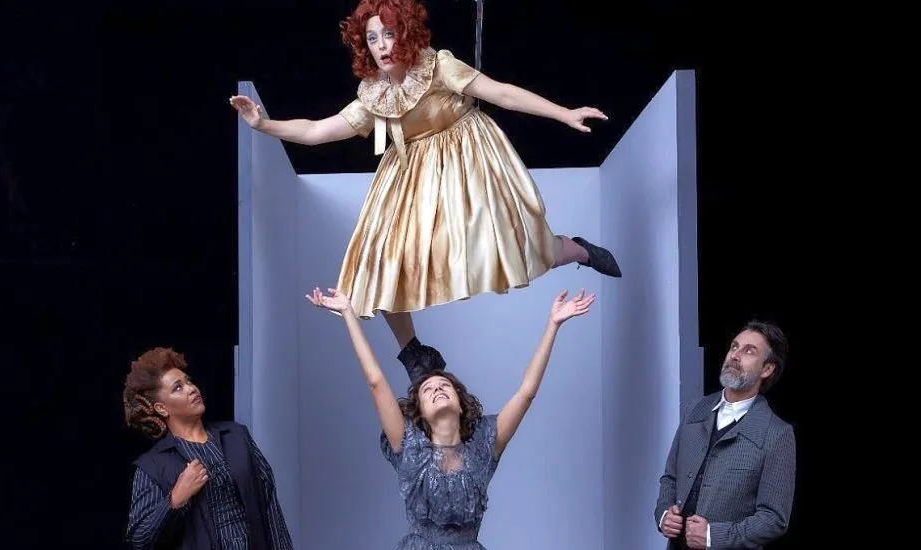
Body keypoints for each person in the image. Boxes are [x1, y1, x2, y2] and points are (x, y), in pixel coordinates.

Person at [231, 0, 620, 351]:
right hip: (413, 173)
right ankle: (414, 352)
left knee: (517, 245)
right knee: (383, 260)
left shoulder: (438, 66)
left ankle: (578, 250)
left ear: (405, 33)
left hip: (467, 157)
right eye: (372, 38)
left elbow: (502, 94)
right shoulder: (374, 95)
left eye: (388, 33)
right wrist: (263, 124)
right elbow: (317, 130)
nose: (381, 45)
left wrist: (564, 113)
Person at [304, 285, 595, 549]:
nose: (438, 389)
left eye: (444, 386)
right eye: (428, 389)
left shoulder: (485, 443)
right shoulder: (408, 445)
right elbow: (376, 382)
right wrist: (348, 314)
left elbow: (526, 393)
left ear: (460, 404)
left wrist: (553, 324)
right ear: (420, 411)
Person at [122, 347, 295, 550]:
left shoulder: (237, 436)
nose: (191, 389)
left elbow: (269, 504)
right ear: (162, 408)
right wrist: (175, 499)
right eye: (178, 388)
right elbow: (139, 538)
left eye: (188, 381)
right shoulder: (153, 466)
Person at [654, 321, 796, 549]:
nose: (735, 356)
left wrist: (714, 536)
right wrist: (663, 514)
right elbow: (670, 478)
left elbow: (774, 518)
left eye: (749, 351)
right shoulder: (694, 410)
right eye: (734, 347)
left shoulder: (777, 434)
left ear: (767, 369)